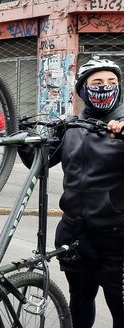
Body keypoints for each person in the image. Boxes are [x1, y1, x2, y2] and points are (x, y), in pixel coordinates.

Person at [50, 57, 124, 328]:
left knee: (120, 306)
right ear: (83, 90)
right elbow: (41, 160)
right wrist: (29, 137)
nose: (105, 87)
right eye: (97, 83)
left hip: (115, 236)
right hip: (75, 232)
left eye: (111, 82)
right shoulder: (71, 126)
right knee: (80, 303)